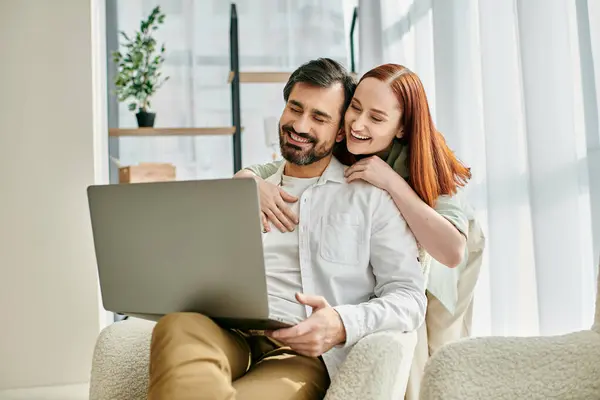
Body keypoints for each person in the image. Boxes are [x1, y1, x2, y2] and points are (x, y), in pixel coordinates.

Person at [147, 58, 427, 400]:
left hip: (297, 350)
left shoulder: (372, 200)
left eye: (319, 117)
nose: (300, 125)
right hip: (224, 330)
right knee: (176, 326)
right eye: (295, 108)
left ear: (340, 131)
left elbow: (409, 297)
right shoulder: (247, 188)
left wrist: (341, 323)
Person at [237, 63, 486, 399]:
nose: (358, 123)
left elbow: (452, 252)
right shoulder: (344, 141)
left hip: (446, 256)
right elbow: (269, 168)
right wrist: (250, 183)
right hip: (394, 251)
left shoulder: (422, 160)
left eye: (377, 117)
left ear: (400, 128)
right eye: (355, 108)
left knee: (432, 356)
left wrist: (392, 183)